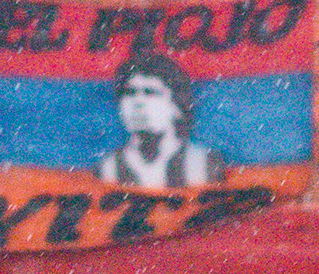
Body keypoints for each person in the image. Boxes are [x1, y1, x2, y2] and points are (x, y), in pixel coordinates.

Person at [94, 52, 227, 189]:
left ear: (177, 106)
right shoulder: (109, 167)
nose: (137, 102)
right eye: (129, 93)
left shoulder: (203, 163)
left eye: (151, 92)